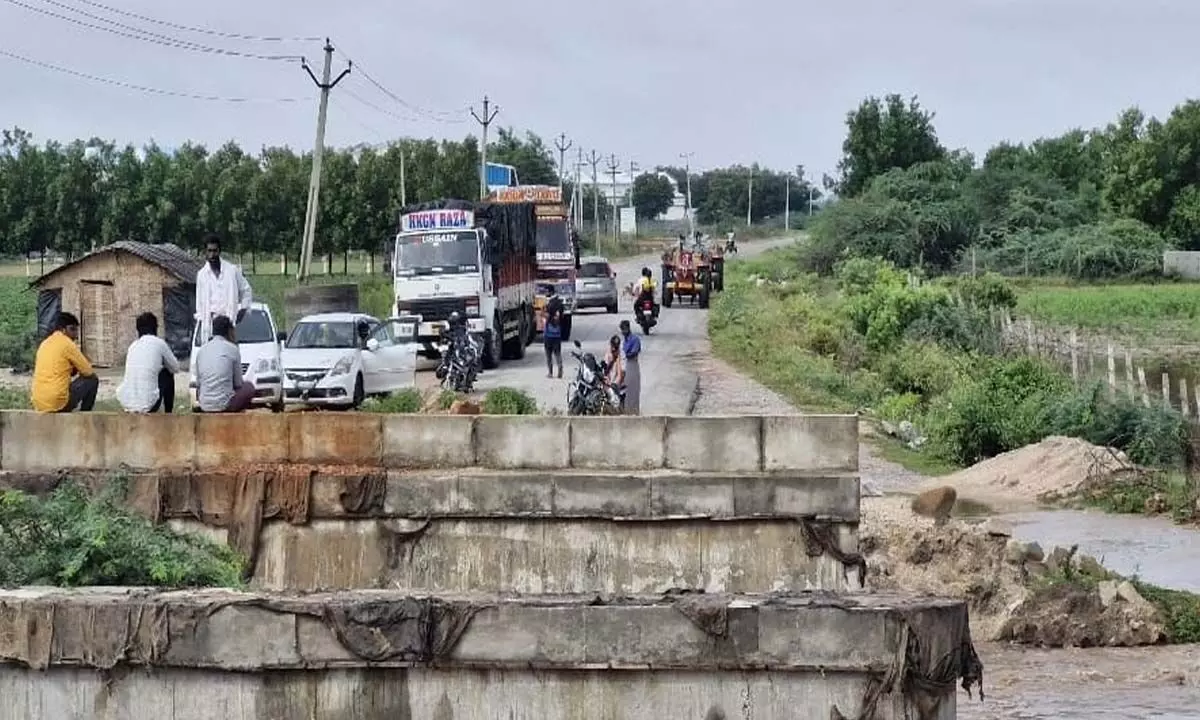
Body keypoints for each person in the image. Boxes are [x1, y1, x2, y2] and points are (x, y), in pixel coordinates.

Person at [31, 312, 99, 413]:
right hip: (57, 403)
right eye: (72, 329)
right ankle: (86, 414)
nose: (75, 335)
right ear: (62, 329)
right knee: (92, 380)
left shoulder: (45, 343)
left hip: (39, 403)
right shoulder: (67, 343)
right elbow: (88, 372)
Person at [194, 233, 253, 344]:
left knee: (230, 355)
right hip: (210, 326)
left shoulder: (232, 271)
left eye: (215, 251)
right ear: (205, 252)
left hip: (228, 324)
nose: (212, 255)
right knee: (212, 358)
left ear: (219, 251)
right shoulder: (201, 275)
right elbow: (199, 305)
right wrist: (204, 320)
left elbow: (246, 290)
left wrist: (243, 309)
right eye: (209, 251)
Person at [117, 312, 181, 413]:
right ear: (155, 328)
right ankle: (169, 414)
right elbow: (175, 368)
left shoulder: (132, 346)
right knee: (167, 373)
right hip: (148, 404)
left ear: (138, 330)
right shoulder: (159, 343)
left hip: (127, 403)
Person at [193, 315, 256, 413]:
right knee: (249, 387)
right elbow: (238, 383)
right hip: (224, 405)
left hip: (205, 405)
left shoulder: (202, 350)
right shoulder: (232, 349)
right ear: (229, 331)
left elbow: (198, 383)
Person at [619, 319, 642, 415]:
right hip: (626, 365)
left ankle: (635, 411)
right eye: (622, 330)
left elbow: (634, 352)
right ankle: (627, 411)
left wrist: (625, 354)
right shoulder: (624, 340)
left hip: (633, 365)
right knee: (626, 390)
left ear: (628, 328)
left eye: (624, 329)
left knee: (634, 389)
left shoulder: (635, 339)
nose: (623, 332)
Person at [543, 286, 564, 379]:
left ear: (550, 292)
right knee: (557, 353)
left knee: (548, 354)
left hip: (549, 333)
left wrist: (543, 314)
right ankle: (560, 369)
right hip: (557, 333)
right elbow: (562, 317)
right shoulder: (560, 303)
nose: (546, 293)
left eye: (547, 291)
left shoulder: (549, 304)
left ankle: (550, 372)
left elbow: (547, 316)